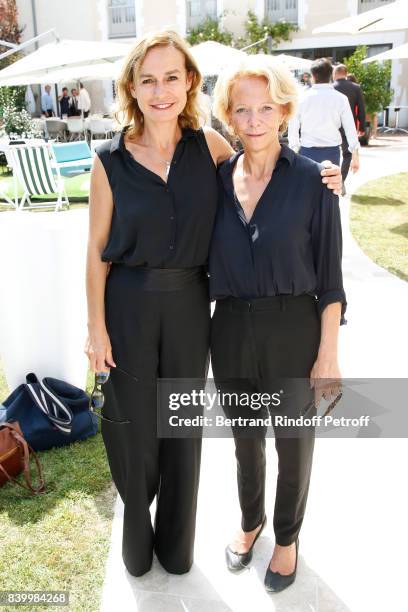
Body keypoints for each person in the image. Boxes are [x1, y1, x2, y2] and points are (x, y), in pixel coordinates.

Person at [84, 30, 342, 579]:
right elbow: (97, 250)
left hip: (231, 315)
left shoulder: (230, 154)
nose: (161, 91)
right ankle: (185, 522)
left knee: (227, 432)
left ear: (190, 83)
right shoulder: (130, 161)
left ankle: (235, 539)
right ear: (132, 85)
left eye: (172, 77)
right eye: (148, 79)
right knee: (180, 430)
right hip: (172, 315)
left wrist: (325, 175)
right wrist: (96, 327)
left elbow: (323, 266)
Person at [210, 55, 346, 593]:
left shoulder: (315, 181)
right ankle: (251, 522)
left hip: (294, 329)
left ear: (285, 110)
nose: (254, 119)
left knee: (293, 442)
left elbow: (331, 278)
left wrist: (327, 353)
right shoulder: (217, 180)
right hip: (231, 327)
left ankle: (287, 538)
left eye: (266, 107)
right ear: (229, 116)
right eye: (242, 109)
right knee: (245, 441)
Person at [288, 58, 360, 186]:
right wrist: (355, 156)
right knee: (331, 193)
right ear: (331, 75)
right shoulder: (341, 99)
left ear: (313, 76)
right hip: (332, 152)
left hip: (307, 152)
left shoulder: (301, 98)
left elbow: (293, 127)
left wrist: (294, 151)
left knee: (308, 194)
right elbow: (350, 128)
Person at [333, 63, 366, 184]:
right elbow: (362, 109)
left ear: (335, 74)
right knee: (347, 154)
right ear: (346, 74)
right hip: (349, 126)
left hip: (333, 125)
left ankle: (333, 180)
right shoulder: (355, 87)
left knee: (333, 151)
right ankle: (341, 181)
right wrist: (362, 127)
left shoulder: (331, 87)